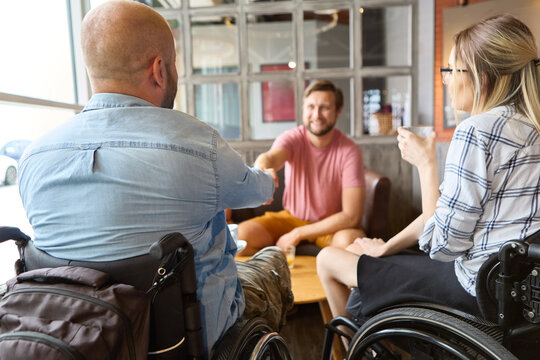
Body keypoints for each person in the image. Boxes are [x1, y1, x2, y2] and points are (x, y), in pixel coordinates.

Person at [17, 0, 292, 351]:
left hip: (78, 340)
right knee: (272, 262)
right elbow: (259, 192)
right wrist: (268, 175)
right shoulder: (197, 145)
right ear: (159, 69)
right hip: (185, 341)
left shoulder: (33, 158)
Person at [317, 14, 540, 325]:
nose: (446, 80)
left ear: (480, 77)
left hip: (475, 290)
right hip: (518, 295)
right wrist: (388, 248)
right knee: (376, 261)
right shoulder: (532, 129)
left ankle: (359, 347)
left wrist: (425, 165)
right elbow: (446, 220)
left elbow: (444, 246)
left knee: (328, 258)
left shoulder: (477, 132)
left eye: (450, 70)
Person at [238, 80, 366, 255]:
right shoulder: (292, 138)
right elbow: (269, 157)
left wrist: (299, 233)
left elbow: (352, 216)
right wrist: (262, 170)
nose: (316, 114)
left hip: (331, 226)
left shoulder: (350, 151)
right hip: (291, 219)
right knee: (241, 238)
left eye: (325, 107)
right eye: (311, 107)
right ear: (304, 109)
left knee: (352, 246)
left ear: (338, 111)